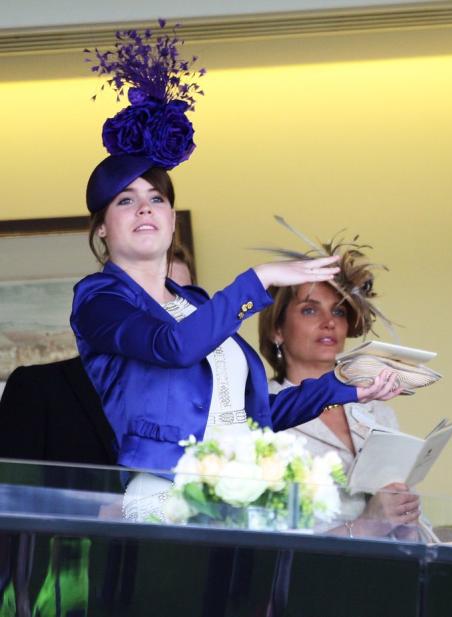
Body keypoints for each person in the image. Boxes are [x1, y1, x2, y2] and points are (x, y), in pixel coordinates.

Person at [71, 27, 400, 522]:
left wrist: (353, 389)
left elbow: (259, 417)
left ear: (170, 216)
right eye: (126, 200)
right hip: (168, 494)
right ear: (102, 227)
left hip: (236, 490)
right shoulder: (98, 299)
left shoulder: (195, 302)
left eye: (157, 198)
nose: (145, 208)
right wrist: (261, 276)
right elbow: (174, 346)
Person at [257, 238, 427, 540]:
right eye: (310, 310)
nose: (329, 323)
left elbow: (409, 537)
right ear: (277, 330)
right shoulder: (259, 416)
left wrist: (406, 519)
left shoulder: (379, 413)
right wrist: (367, 524)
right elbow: (264, 543)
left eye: (338, 312)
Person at [0, 249, 196, 467]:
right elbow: (10, 491)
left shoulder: (217, 392)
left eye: (177, 297)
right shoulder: (36, 387)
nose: (166, 309)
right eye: (149, 294)